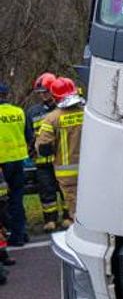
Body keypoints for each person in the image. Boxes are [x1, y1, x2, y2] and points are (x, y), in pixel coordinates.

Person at [25, 72, 72, 231]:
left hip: (61, 159)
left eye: (46, 92)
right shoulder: (32, 112)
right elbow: (29, 135)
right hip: (42, 162)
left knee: (65, 190)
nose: (43, 95)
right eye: (40, 93)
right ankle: (50, 220)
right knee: (46, 192)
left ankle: (68, 217)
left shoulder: (63, 109)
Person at [35, 78, 85, 225]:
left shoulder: (52, 119)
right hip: (92, 169)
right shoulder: (88, 113)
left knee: (76, 210)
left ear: (55, 97)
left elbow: (43, 149)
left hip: (67, 173)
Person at [0, 82, 35, 248]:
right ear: (6, 95)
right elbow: (29, 136)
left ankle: (6, 235)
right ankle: (19, 235)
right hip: (18, 162)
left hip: (1, 164)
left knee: (2, 202)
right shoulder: (19, 112)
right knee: (16, 199)